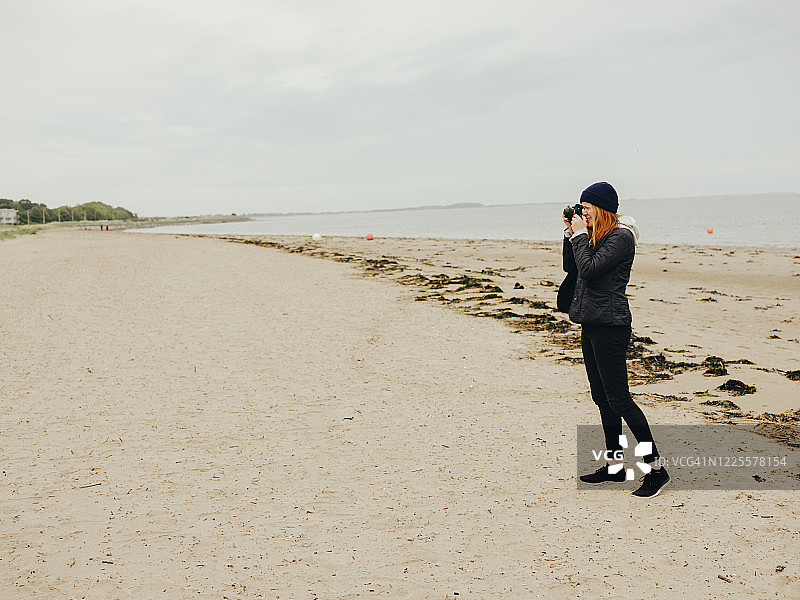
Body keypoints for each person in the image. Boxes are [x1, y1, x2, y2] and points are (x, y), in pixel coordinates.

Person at [563, 182, 669, 498]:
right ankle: (615, 466)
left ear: (602, 208)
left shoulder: (621, 238)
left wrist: (580, 236)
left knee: (620, 399)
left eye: (586, 208)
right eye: (580, 208)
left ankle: (656, 470)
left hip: (610, 326)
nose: (582, 212)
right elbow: (572, 267)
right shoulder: (594, 235)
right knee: (601, 397)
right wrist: (571, 233)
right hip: (591, 323)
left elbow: (590, 269)